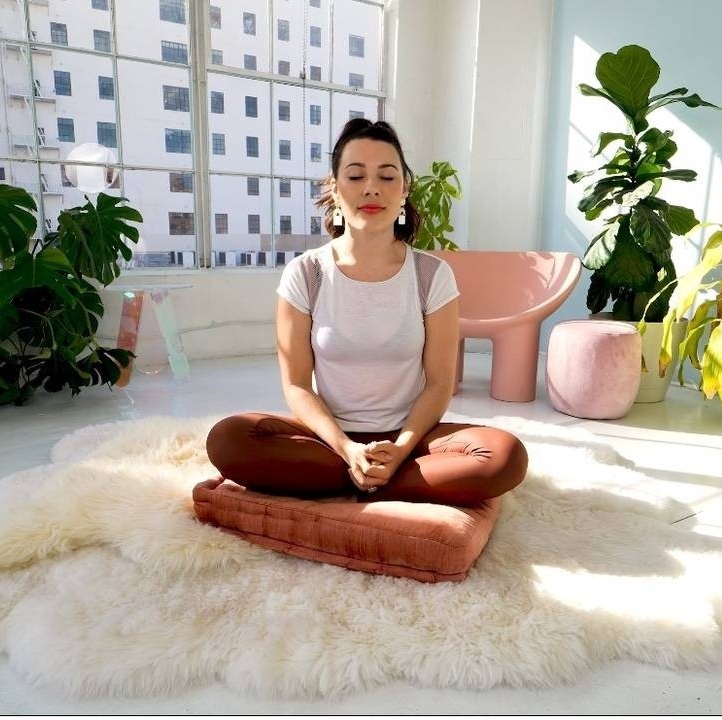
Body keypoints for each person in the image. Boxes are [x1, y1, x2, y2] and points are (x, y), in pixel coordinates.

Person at [205, 119, 528, 506]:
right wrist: (346, 448)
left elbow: (439, 384)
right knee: (228, 438)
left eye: (387, 177)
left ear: (404, 188)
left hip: (411, 438)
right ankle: (370, 476)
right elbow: (297, 386)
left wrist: (401, 449)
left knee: (504, 455)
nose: (371, 188)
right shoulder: (306, 273)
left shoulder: (432, 275)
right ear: (335, 188)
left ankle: (363, 479)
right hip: (328, 441)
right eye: (356, 176)